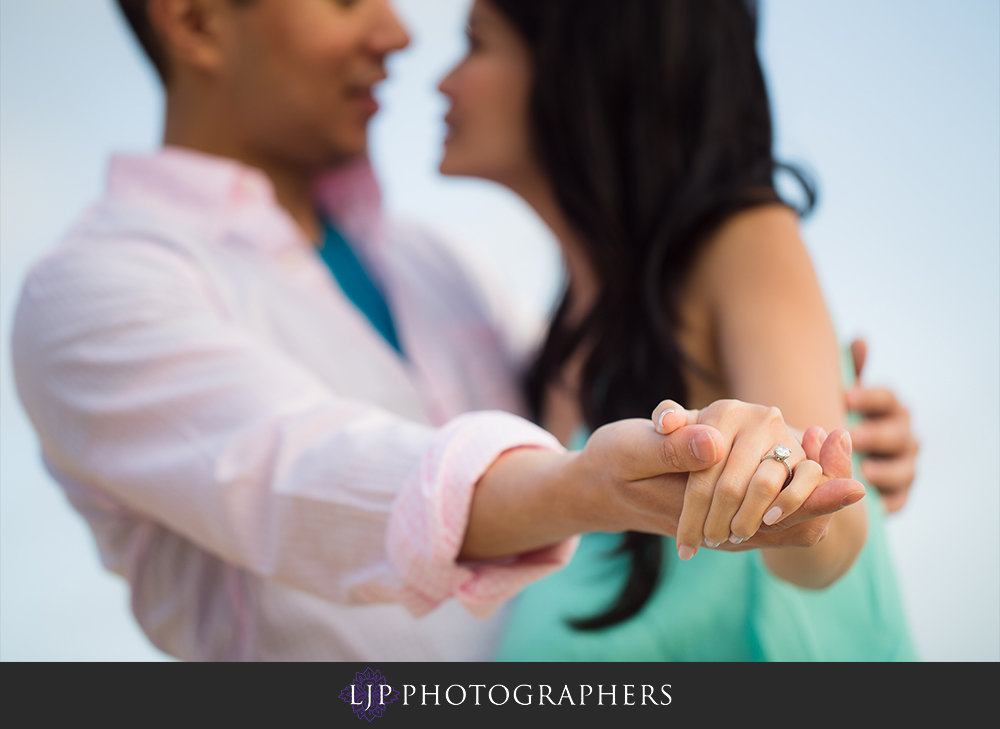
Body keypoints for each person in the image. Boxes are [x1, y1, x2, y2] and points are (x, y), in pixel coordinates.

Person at [9, 0, 912, 662]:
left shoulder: (438, 265)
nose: (399, 34)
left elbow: (643, 413)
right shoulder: (97, 291)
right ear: (198, 22)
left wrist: (818, 434)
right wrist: (578, 486)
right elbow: (310, 475)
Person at [437, 0, 918, 660]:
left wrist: (790, 484)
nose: (442, 79)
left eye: (476, 43)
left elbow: (826, 539)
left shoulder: (742, 243)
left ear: (579, 69)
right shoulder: (554, 339)